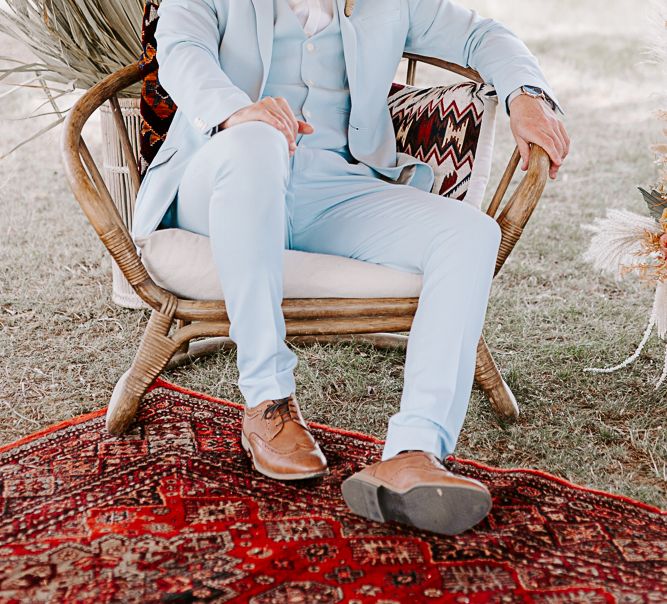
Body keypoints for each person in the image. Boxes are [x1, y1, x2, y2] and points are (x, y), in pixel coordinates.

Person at [131, 0, 570, 536]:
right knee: (257, 140)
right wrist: (234, 109)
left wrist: (524, 94)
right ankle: (268, 402)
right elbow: (182, 49)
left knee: (470, 232)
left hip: (332, 190)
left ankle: (414, 451)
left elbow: (482, 35)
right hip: (224, 174)